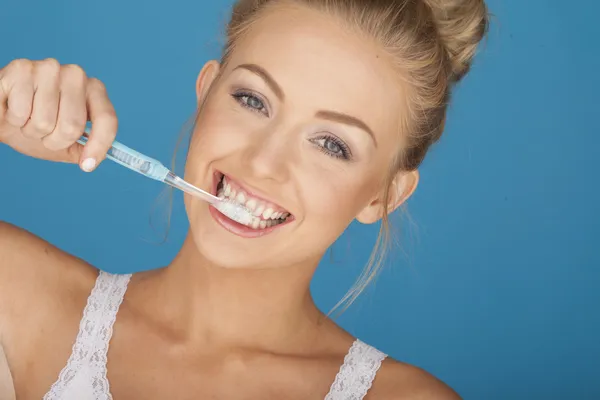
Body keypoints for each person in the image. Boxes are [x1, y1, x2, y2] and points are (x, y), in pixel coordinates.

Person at [0, 0, 489, 398]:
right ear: (206, 89)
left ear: (384, 198)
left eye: (331, 144)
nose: (263, 162)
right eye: (253, 101)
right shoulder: (16, 298)